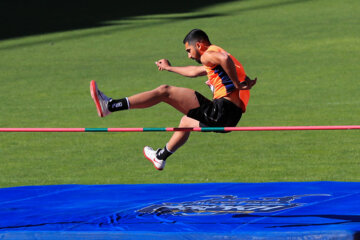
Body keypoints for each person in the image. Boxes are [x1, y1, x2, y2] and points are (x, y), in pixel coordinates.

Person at [90, 29, 257, 171]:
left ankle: (110, 106)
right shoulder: (219, 58)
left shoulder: (209, 55)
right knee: (186, 122)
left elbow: (224, 61)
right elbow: (194, 71)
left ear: (198, 45)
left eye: (188, 51)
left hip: (221, 112)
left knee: (165, 91)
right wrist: (169, 67)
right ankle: (160, 156)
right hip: (231, 118)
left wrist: (236, 84)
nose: (189, 56)